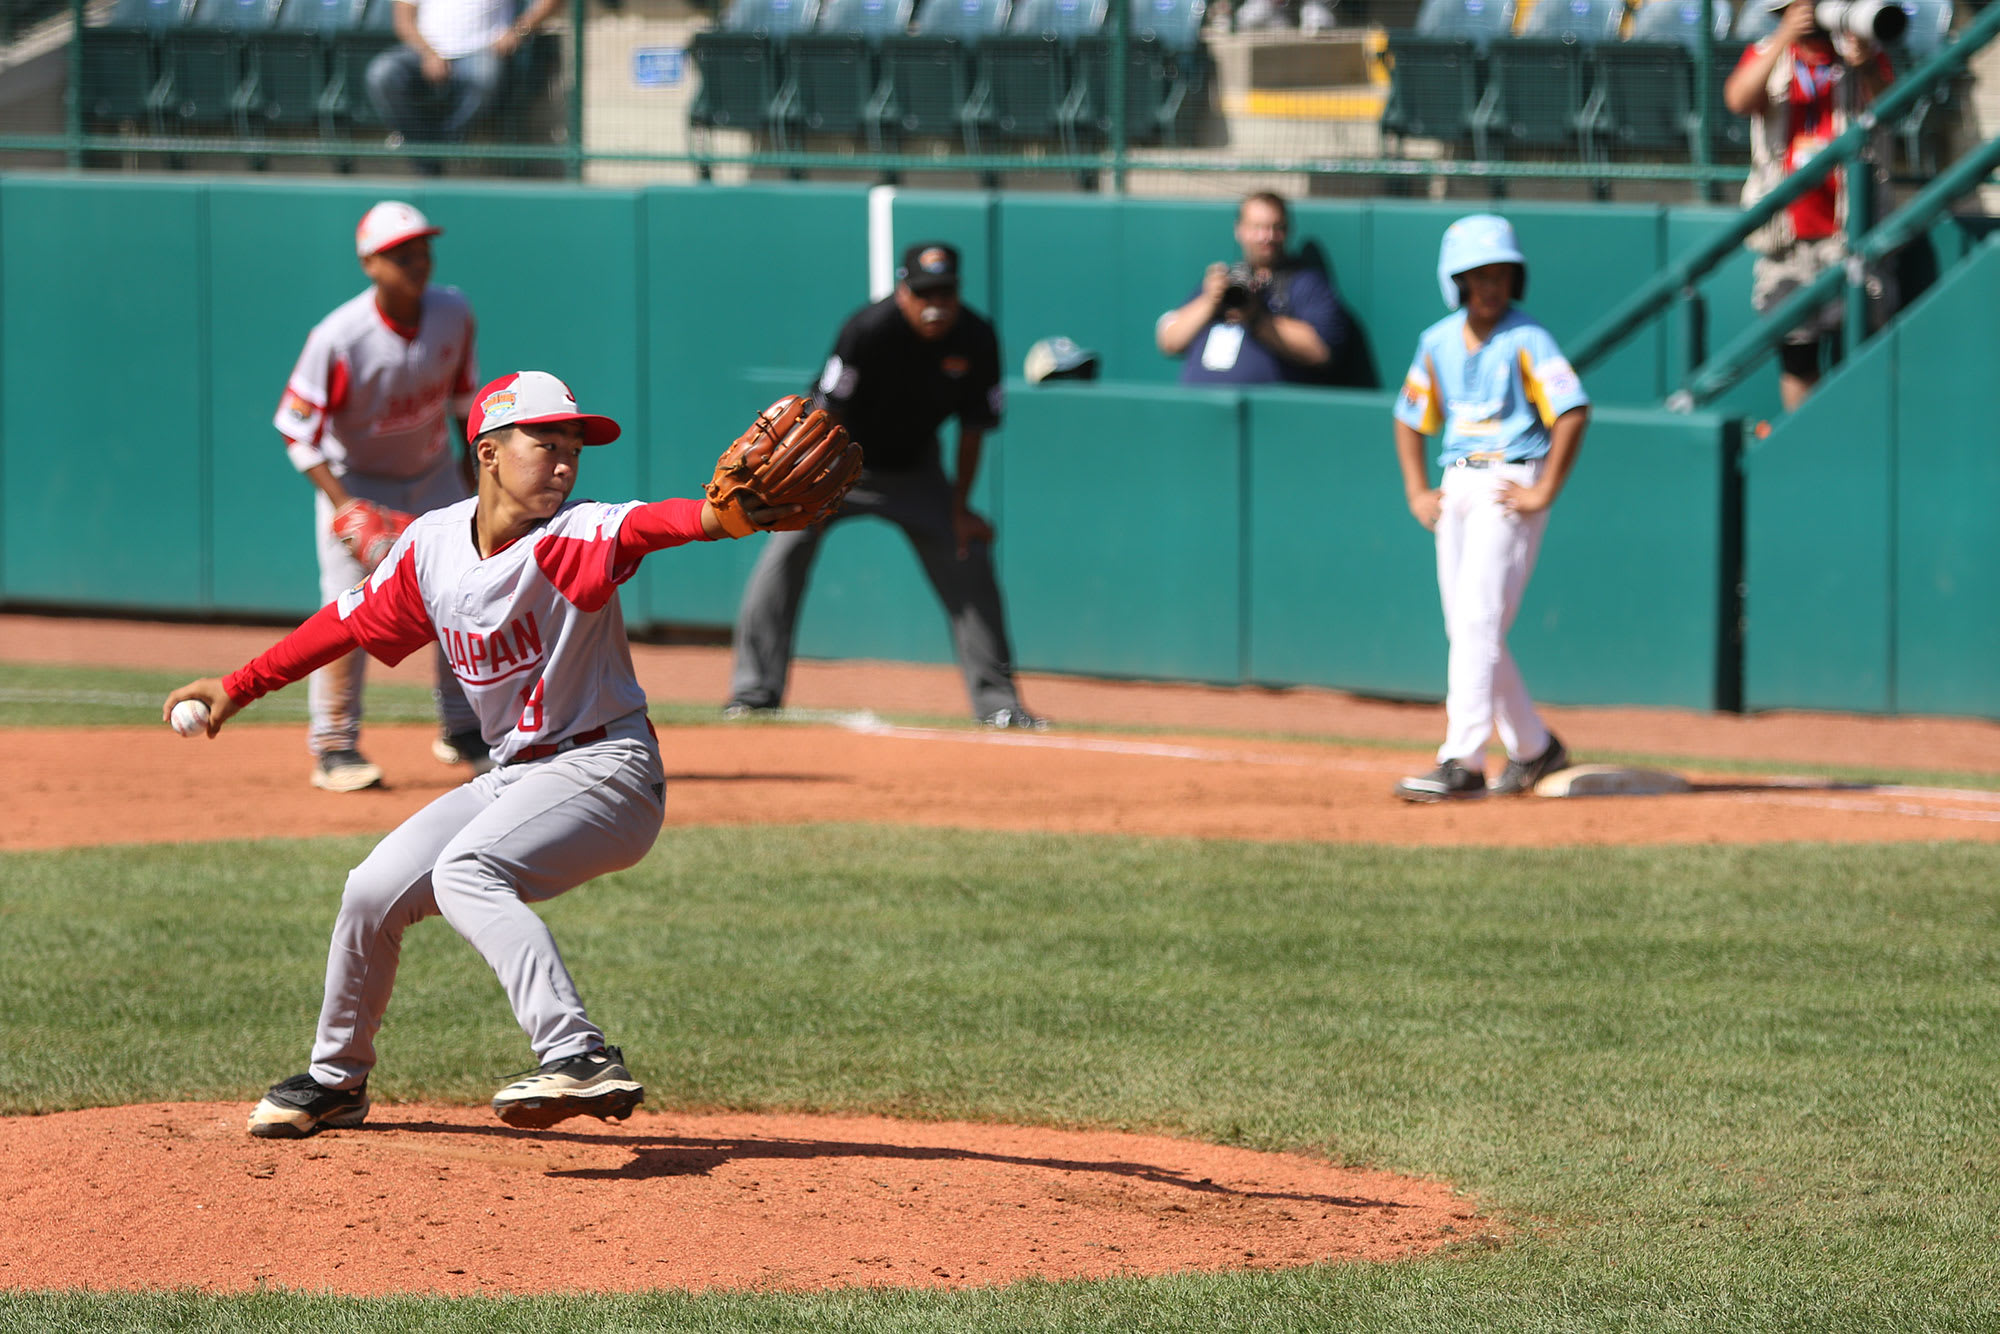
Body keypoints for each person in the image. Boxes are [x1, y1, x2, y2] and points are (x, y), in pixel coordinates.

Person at [167, 371, 799, 1139]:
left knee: (467, 870)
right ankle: (337, 1081)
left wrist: (718, 518)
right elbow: (343, 623)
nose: (565, 462)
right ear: (489, 452)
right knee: (372, 890)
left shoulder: (576, 535)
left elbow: (655, 525)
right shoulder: (431, 546)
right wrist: (237, 685)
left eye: (574, 448)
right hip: (516, 776)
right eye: (547, 443)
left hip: (610, 773)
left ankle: (578, 1053)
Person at [725, 242, 1044, 729]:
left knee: (966, 556)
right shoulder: (867, 329)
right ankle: (753, 693)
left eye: (945, 292)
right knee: (783, 554)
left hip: (916, 470)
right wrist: (806, 485)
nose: (935, 304)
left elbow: (974, 429)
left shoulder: (976, 337)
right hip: (837, 465)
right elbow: (826, 412)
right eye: (923, 293)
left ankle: (999, 703)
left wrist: (960, 507)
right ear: (902, 291)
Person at [276, 200, 483, 793]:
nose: (416, 260)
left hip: (435, 476)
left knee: (465, 594)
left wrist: (475, 491)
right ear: (369, 263)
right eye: (398, 253)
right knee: (348, 614)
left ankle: (463, 730)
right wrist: (344, 506)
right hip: (357, 481)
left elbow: (463, 405)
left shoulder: (454, 311)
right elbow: (296, 430)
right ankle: (335, 748)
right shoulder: (339, 337)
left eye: (421, 248)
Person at [1390, 215, 1588, 803]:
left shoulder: (1528, 338)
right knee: (1469, 628)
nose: (1490, 286)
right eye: (1477, 275)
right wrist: (1415, 489)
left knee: (1477, 620)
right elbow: (1408, 416)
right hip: (1456, 482)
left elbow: (1571, 409)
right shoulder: (1438, 340)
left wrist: (1544, 489)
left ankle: (1463, 760)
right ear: (1456, 282)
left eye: (1500, 273)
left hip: (1508, 481)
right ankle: (1533, 746)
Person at [1724, 0, 1894, 412]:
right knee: (1797, 355)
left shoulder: (1860, 54)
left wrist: (1867, 64)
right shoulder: (1768, 54)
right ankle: (1806, 444)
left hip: (1854, 230)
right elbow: (1738, 99)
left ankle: (1860, 442)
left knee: (1868, 345)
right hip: (1788, 237)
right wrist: (1784, 39)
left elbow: (1894, 105)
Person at [1155, 191, 1351, 388]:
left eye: (1275, 227)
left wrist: (1256, 318)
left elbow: (1321, 351)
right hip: (1197, 406)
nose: (1267, 236)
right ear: (1239, 230)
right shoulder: (1227, 280)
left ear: (1288, 230)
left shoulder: (1304, 282)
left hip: (1267, 411)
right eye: (1257, 227)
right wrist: (1211, 301)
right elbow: (1168, 340)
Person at [366, 0, 564, 160]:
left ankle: (441, 145)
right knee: (381, 73)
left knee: (484, 76)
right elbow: (403, 20)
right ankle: (421, 146)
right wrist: (429, 53)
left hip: (482, 51)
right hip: (422, 51)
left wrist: (518, 31)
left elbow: (551, 2)